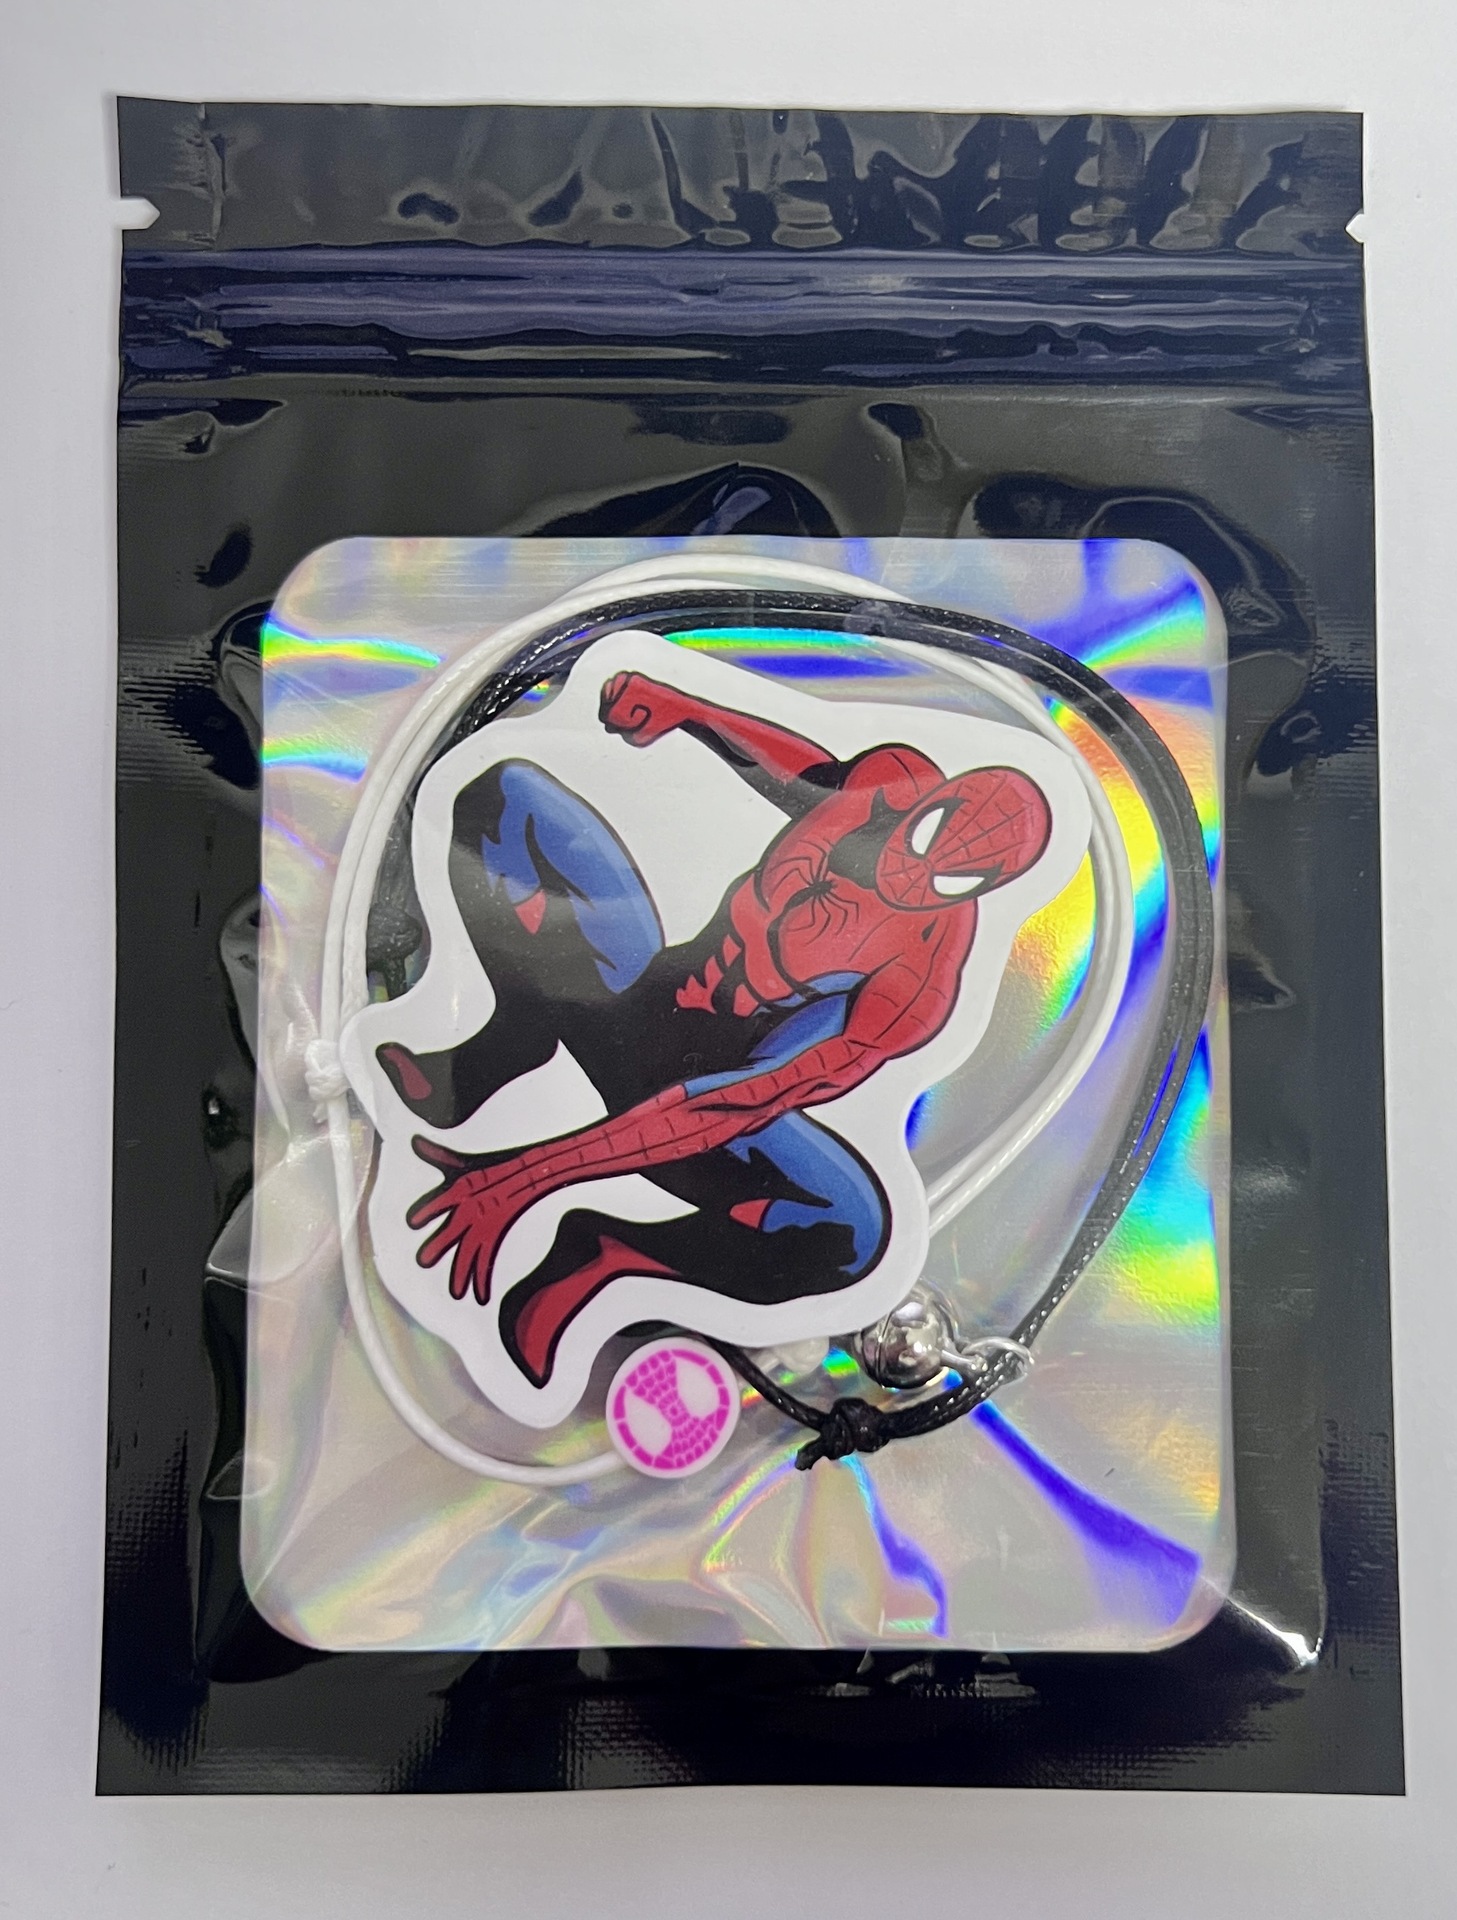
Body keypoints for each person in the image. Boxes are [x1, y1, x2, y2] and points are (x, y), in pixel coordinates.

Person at [378, 669, 1051, 1387]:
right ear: (930, 802)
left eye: (952, 878)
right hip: (635, 1000)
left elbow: (734, 1106)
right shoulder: (887, 786)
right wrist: (689, 707)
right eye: (927, 837)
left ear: (984, 888)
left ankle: (609, 1257)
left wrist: (525, 1176)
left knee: (855, 1234)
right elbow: (807, 776)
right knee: (505, 797)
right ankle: (504, 1045)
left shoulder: (916, 983)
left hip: (710, 1109)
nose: (913, 877)